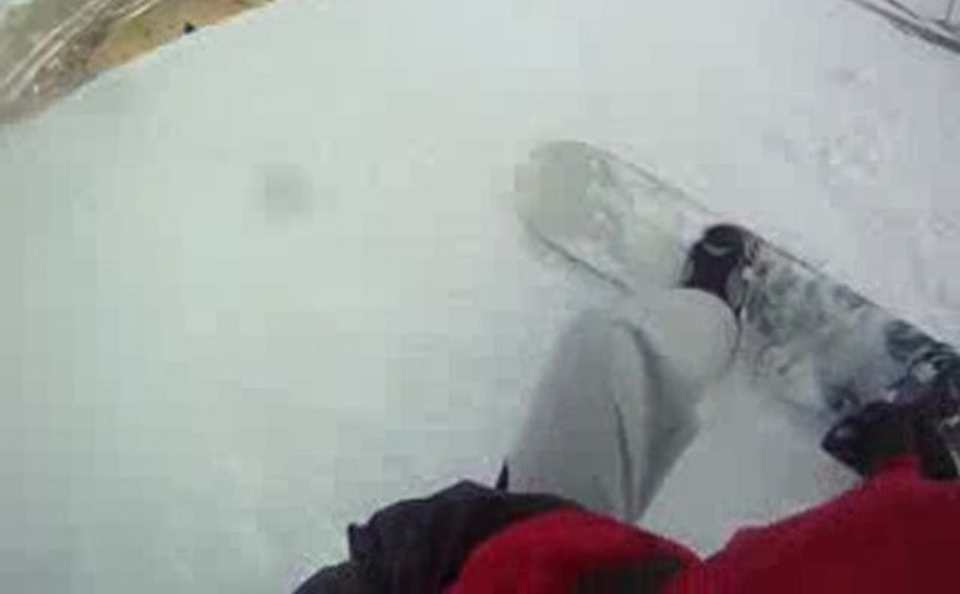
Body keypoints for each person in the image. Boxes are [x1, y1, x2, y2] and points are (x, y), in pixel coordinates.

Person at [295, 227, 960, 594]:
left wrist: (395, 569)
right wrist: (908, 490)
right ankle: (710, 310)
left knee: (606, 350)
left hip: (535, 562)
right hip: (567, 568)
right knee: (610, 353)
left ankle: (710, 309)